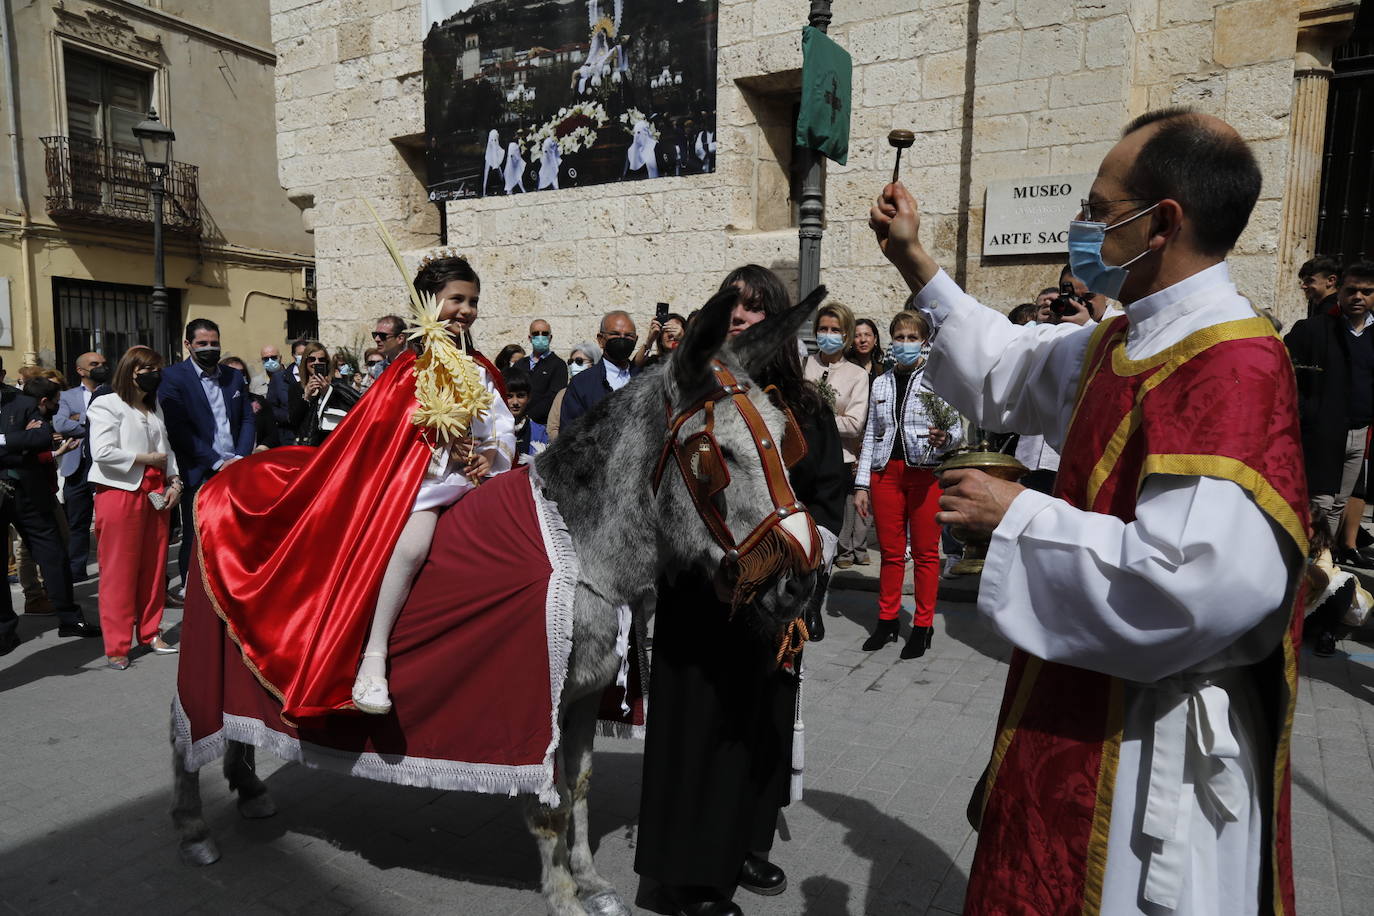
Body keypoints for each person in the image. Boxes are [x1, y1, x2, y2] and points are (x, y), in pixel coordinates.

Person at [870, 107, 1309, 914]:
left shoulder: (1236, 366)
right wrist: (914, 260)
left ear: (1161, 224)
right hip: (1080, 688)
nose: (1083, 227)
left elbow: (1198, 589)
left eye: (1100, 211)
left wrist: (1019, 518)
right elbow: (1004, 366)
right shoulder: (1125, 338)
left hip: (1154, 739)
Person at [194, 253, 515, 722]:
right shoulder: (407, 370)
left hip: (474, 480)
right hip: (421, 486)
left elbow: (500, 427)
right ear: (428, 303)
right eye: (456, 300)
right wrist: (429, 438)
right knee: (411, 547)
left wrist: (489, 452)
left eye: (473, 301)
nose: (465, 310)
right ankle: (374, 657)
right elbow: (380, 438)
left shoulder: (479, 367)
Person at [635, 264, 847, 916]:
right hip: (701, 600)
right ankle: (687, 876)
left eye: (758, 308)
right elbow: (648, 485)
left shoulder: (806, 403)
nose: (742, 316)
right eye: (733, 304)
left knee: (762, 729)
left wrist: (794, 563)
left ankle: (747, 844)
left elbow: (826, 495)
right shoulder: (681, 392)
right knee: (697, 733)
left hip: (777, 599)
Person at [853, 310, 961, 656]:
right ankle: (886, 621)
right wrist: (862, 484)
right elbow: (871, 432)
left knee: (928, 554)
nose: (905, 344)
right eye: (899, 337)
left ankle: (923, 626)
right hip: (886, 474)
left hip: (924, 473)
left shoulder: (937, 380)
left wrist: (945, 438)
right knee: (891, 552)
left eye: (912, 338)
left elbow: (958, 430)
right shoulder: (881, 382)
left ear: (924, 342)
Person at [87, 346, 182, 669]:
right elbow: (102, 451)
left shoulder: (153, 409)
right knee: (119, 572)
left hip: (157, 492)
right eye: (149, 369)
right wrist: (145, 459)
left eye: (158, 369)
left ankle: (151, 632)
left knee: (154, 569)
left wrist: (175, 481)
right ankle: (117, 645)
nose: (156, 375)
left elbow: (167, 449)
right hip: (120, 492)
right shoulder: (106, 404)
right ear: (131, 371)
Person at [1286, 260, 1374, 566]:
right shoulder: (1314, 330)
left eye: (1367, 291)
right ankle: (1304, 569)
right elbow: (1288, 374)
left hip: (1359, 431)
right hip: (1324, 430)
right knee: (1320, 502)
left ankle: (1324, 566)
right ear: (1340, 290)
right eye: (1352, 290)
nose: (1358, 297)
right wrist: (1309, 413)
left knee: (1339, 502)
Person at [0, 376, 98, 651]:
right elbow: (29, 442)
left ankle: (69, 617)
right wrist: (20, 443)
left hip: (29, 492)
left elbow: (42, 436)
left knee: (53, 554)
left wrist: (5, 440)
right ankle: (5, 629)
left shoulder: (22, 403)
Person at [159, 319, 256, 592]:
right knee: (196, 536)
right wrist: (216, 461)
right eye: (202, 344)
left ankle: (231, 588)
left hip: (235, 468)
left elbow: (247, 418)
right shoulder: (173, 378)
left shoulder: (233, 376)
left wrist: (239, 458)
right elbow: (179, 430)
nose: (210, 348)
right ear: (188, 345)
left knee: (235, 532)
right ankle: (192, 590)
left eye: (214, 343)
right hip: (200, 470)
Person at [804, 301, 870, 569]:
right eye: (823, 329)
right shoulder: (802, 365)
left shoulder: (856, 375)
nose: (828, 335)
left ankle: (819, 585)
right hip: (802, 459)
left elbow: (854, 424)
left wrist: (818, 419)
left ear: (846, 335)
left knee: (824, 535)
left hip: (835, 464)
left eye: (835, 330)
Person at [55, 351, 108, 582]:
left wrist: (79, 420)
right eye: (94, 364)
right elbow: (60, 423)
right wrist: (93, 422)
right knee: (77, 522)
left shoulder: (114, 393)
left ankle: (110, 569)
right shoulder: (67, 396)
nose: (100, 367)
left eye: (103, 364)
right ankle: (76, 570)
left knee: (108, 523)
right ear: (80, 370)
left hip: (105, 466)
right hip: (77, 466)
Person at [559, 312, 638, 430]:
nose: (622, 339)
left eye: (628, 335)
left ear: (636, 340)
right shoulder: (581, 383)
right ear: (601, 340)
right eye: (615, 334)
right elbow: (569, 434)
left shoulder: (645, 378)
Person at [291, 342, 363, 446]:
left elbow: (349, 408)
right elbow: (294, 420)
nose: (316, 363)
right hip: (307, 442)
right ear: (305, 362)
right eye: (312, 359)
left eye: (321, 360)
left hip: (332, 442)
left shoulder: (337, 384)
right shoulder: (296, 387)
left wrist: (328, 392)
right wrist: (306, 397)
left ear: (327, 363)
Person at [546, 343, 599, 441]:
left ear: (593, 363)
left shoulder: (602, 390)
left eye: (579, 361)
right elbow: (552, 428)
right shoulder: (562, 394)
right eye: (571, 361)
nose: (573, 365)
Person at [523, 319, 568, 425]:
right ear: (530, 338)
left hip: (543, 424)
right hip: (519, 423)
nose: (540, 336)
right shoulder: (521, 364)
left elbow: (553, 397)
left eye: (544, 333)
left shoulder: (558, 365)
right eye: (536, 333)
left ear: (550, 337)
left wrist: (528, 417)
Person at [266, 339, 307, 447]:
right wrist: (288, 416)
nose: (303, 357)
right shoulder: (279, 378)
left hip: (310, 434)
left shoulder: (314, 377)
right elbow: (270, 407)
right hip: (288, 436)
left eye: (307, 354)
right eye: (300, 354)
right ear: (294, 355)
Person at [502, 366, 548, 462]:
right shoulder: (491, 430)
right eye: (509, 396)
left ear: (529, 397)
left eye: (520, 396)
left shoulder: (540, 433)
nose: (515, 402)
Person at [1300, 255, 1342, 319]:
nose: (1303, 286)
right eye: (1304, 281)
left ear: (1331, 280)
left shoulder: (1332, 312)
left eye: (1309, 281)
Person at [846, 317, 884, 381]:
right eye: (857, 336)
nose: (863, 340)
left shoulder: (882, 370)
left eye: (867, 335)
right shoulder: (845, 368)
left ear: (875, 339)